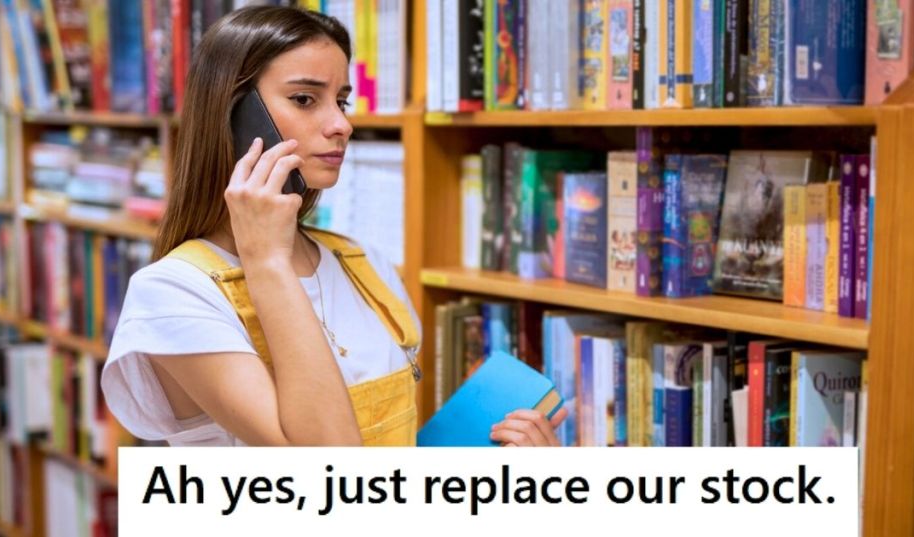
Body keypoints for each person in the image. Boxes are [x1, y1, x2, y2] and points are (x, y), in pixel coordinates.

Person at [101, 6, 567, 447]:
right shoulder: (172, 293)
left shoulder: (365, 265)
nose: (341, 124)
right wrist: (266, 257)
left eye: (341, 100)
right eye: (305, 99)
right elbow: (329, 470)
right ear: (235, 115)